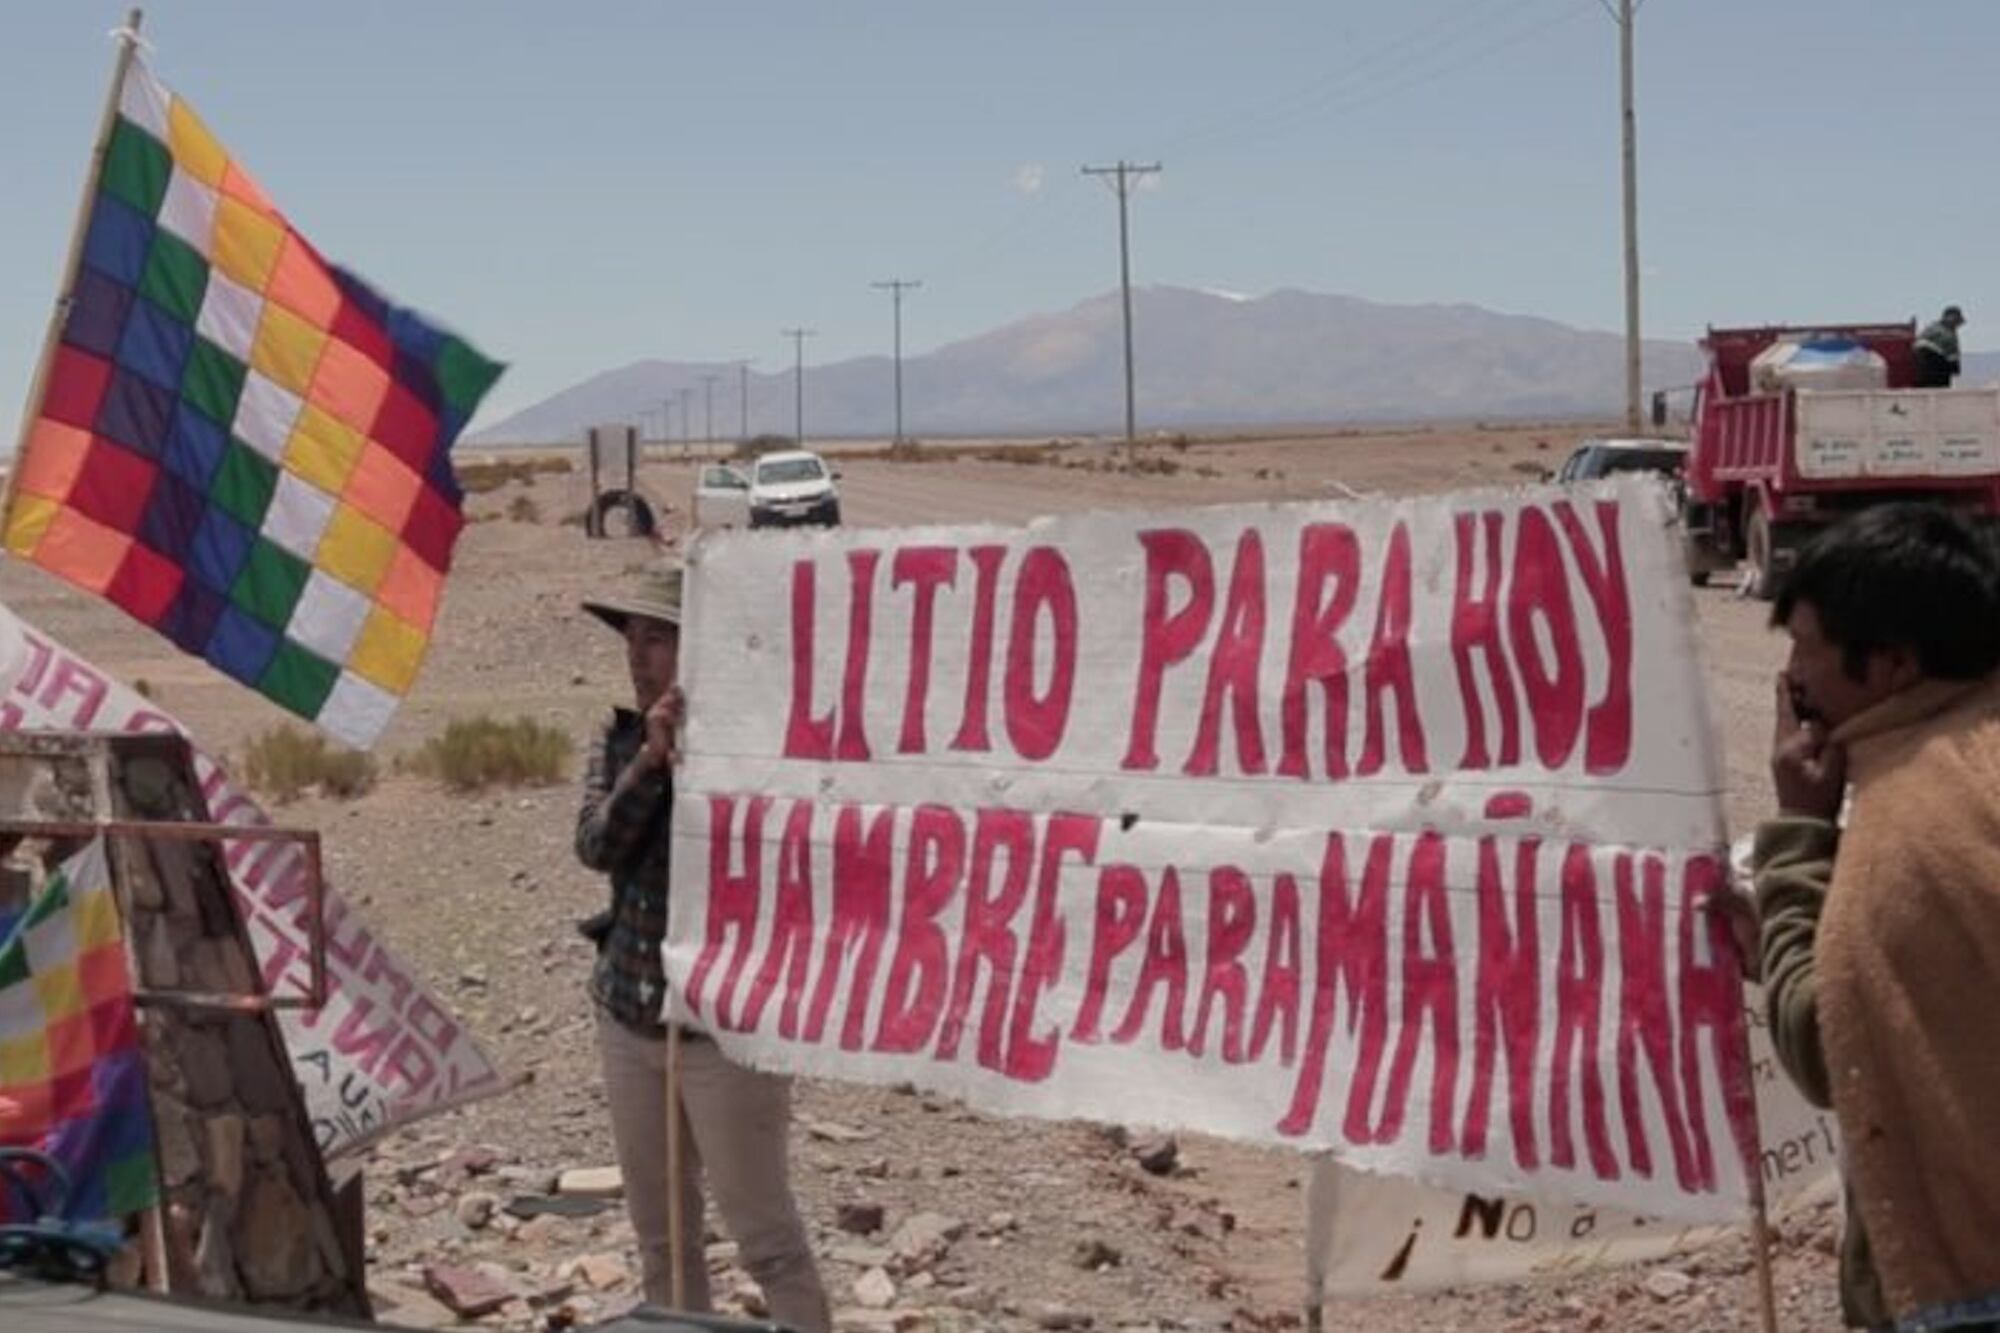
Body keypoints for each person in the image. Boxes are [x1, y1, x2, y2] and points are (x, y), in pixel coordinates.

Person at [1751, 503, 2000, 1330]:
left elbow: (1825, 1041)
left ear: (1891, 662)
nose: (1793, 679)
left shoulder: (1912, 819)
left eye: (1807, 650)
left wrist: (1799, 837)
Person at [574, 564, 831, 1331]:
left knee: (768, 1239)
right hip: (630, 1014)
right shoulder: (620, 738)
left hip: (728, 1032)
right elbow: (596, 845)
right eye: (633, 637)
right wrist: (652, 762)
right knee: (665, 1240)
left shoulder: (760, 749)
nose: (639, 654)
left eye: (659, 637)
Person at [1912, 305, 1965, 388]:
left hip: (1921, 368)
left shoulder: (1931, 328)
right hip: (1936, 368)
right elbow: (1953, 358)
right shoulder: (1949, 334)